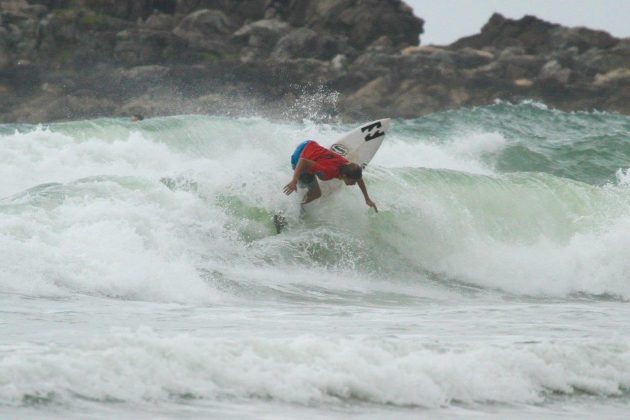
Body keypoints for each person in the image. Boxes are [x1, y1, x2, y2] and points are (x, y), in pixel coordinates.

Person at [283, 140, 378, 212]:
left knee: (313, 178)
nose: (353, 184)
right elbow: (303, 161)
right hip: (298, 159)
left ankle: (302, 196)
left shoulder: (346, 165)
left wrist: (367, 199)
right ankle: (298, 207)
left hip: (308, 144)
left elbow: (359, 178)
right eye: (352, 181)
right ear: (344, 176)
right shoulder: (328, 172)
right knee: (315, 193)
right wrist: (294, 180)